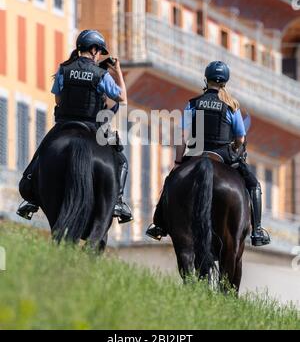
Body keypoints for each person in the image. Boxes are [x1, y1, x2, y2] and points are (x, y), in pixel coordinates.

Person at [146, 61, 270, 247]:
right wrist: (235, 148)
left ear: (206, 79)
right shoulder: (231, 106)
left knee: (171, 181)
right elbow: (241, 139)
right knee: (254, 184)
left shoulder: (193, 104)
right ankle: (258, 229)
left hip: (196, 152)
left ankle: (159, 224)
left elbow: (183, 135)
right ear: (224, 82)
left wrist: (178, 162)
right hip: (223, 155)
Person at [17, 29, 133, 224]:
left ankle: (30, 196)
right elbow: (122, 98)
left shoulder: (64, 69)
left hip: (64, 124)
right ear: (95, 50)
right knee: (121, 161)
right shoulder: (101, 74)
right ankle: (118, 201)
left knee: (41, 153)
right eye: (99, 51)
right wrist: (118, 71)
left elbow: (58, 98)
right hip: (92, 127)